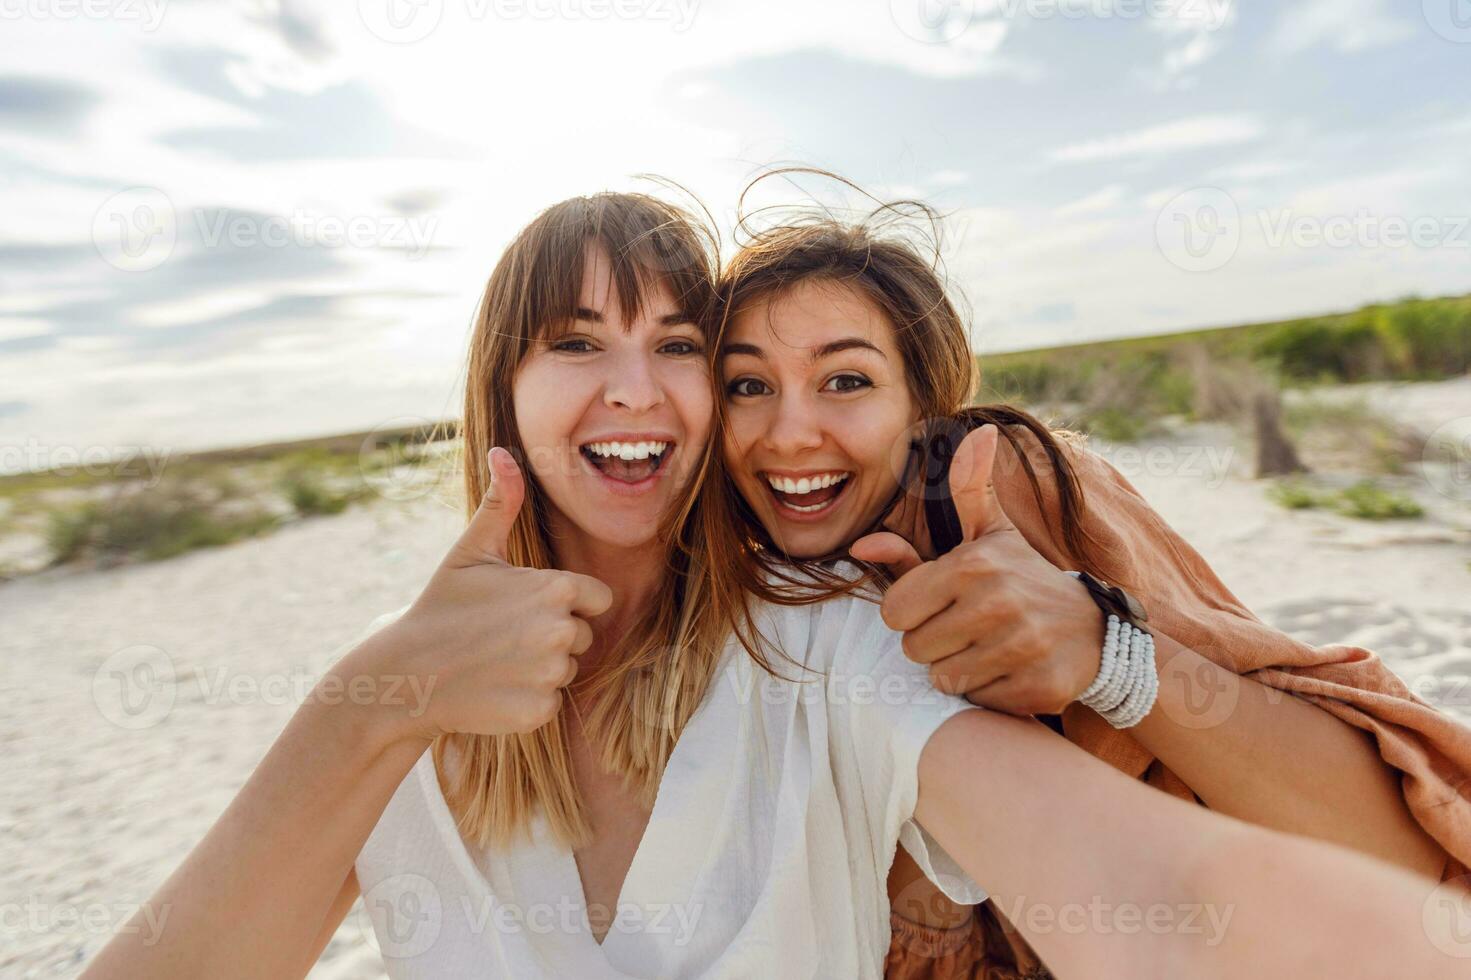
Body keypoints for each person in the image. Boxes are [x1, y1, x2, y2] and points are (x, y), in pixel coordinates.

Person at [84, 189, 1470, 980]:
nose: (636, 389)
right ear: (500, 392)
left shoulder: (833, 654)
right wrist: (362, 710)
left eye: (677, 344)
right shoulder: (401, 707)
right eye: (575, 342)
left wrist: (1112, 659)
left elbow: (1171, 898)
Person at [705, 182, 1471, 977]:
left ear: (921, 406)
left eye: (846, 380)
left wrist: (1106, 651)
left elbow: (1397, 862)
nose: (790, 435)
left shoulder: (1002, 485)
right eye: (748, 386)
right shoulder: (722, 571)